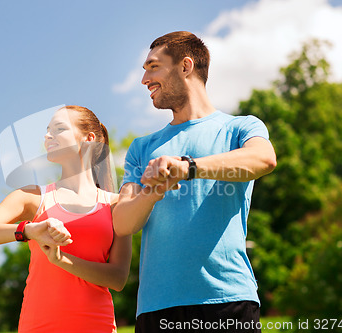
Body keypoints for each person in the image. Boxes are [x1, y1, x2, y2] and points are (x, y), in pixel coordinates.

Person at [113, 31, 277, 332]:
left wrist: (187, 168)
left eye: (153, 67)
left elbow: (263, 160)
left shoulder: (240, 127)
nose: (144, 80)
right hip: (156, 309)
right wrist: (152, 192)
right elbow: (122, 223)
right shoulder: (141, 147)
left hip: (227, 301)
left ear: (185, 66)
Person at [0, 105, 132, 333]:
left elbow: (118, 278)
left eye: (59, 128)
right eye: (47, 130)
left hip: (97, 325)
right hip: (39, 326)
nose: (47, 136)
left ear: (88, 138)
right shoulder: (33, 197)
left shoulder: (116, 204)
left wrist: (62, 260)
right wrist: (29, 230)